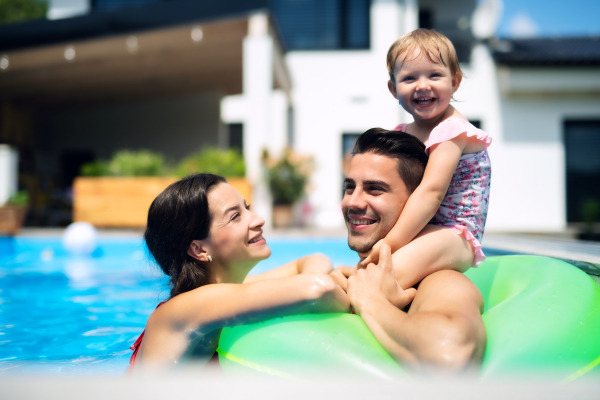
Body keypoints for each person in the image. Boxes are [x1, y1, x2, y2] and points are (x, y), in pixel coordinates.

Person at [129, 173, 349, 371]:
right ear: (199, 249)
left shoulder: (229, 292)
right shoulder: (188, 307)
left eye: (247, 208)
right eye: (235, 217)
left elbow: (314, 260)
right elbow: (320, 289)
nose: (258, 220)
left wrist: (302, 287)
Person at [332, 129, 486, 372]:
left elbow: (452, 353)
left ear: (416, 203)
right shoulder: (352, 276)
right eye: (350, 187)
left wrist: (370, 302)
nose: (353, 202)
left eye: (375, 189)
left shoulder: (440, 282)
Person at [360, 28, 492, 290]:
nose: (423, 85)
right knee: (373, 267)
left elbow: (431, 194)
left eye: (434, 75)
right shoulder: (402, 133)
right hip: (423, 228)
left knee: (387, 275)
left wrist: (388, 242)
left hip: (455, 236)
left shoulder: (452, 130)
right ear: (393, 88)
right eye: (409, 78)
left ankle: (381, 298)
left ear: (454, 81)